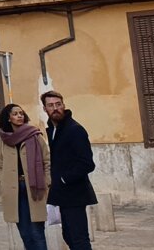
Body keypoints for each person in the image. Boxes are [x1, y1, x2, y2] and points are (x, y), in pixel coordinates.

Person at [42, 91, 97, 250]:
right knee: (69, 236)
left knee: (79, 239)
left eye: (58, 104)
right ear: (45, 108)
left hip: (75, 193)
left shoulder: (75, 129)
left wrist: (63, 179)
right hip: (62, 194)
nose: (55, 108)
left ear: (64, 105)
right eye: (51, 105)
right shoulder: (53, 129)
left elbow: (87, 163)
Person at [0, 103, 50, 250]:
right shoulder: (3, 140)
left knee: (37, 233)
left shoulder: (35, 135)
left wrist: (47, 181)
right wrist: (2, 181)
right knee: (25, 233)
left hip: (34, 188)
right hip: (14, 190)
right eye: (15, 114)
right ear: (8, 118)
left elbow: (47, 161)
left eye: (21, 113)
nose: (20, 116)